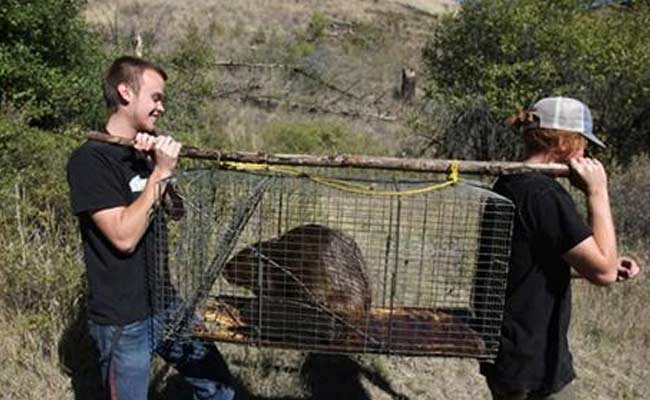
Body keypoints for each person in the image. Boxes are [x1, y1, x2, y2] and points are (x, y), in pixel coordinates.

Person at [67, 56, 235, 400]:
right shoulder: (90, 161)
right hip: (122, 320)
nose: (161, 108)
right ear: (125, 92)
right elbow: (124, 237)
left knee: (219, 387)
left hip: (165, 304)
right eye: (155, 97)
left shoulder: (141, 153)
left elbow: (176, 211)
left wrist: (157, 167)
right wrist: (158, 174)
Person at [479, 96, 641, 400]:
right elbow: (603, 273)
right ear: (566, 142)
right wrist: (597, 192)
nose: (585, 152)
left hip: (508, 350)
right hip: (532, 360)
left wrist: (601, 261)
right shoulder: (544, 195)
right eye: (582, 142)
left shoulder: (509, 184)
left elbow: (528, 260)